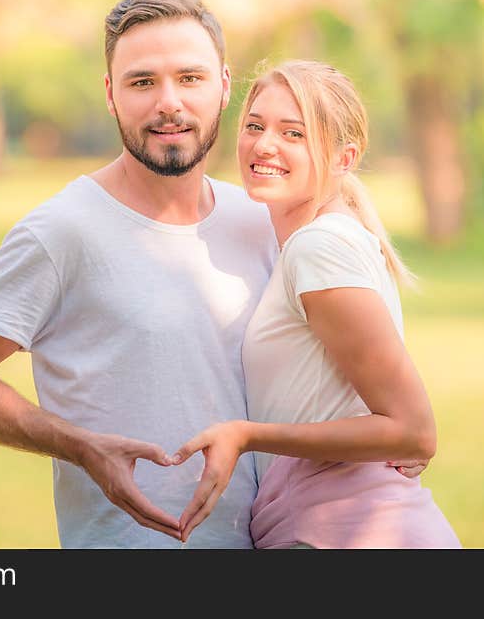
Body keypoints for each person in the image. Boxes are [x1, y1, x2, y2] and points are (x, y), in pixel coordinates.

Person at [0, 0, 425, 549]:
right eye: (141, 82)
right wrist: (81, 445)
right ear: (111, 94)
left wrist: (382, 441)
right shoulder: (61, 231)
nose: (168, 103)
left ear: (224, 86)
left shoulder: (258, 218)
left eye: (190, 78)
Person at [171, 59, 461, 548]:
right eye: (255, 126)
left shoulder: (318, 248)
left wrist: (248, 434)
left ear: (344, 158)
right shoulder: (320, 241)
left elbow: (413, 430)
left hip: (349, 533)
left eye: (294, 133)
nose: (264, 145)